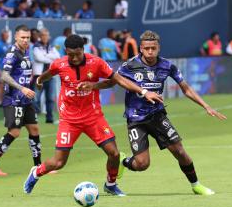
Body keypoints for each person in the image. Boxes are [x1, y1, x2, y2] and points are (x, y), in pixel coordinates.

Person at [79, 30, 227, 195]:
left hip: (157, 116)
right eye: (147, 48)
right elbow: (111, 82)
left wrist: (206, 106)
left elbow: (185, 88)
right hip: (136, 119)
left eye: (153, 48)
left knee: (179, 151)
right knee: (142, 164)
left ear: (158, 48)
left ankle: (196, 185)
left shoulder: (167, 66)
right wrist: (93, 86)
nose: (150, 51)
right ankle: (124, 161)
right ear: (141, 48)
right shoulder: (129, 65)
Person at [23, 34, 163, 196]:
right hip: (69, 119)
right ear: (65, 52)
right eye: (70, 55)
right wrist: (40, 81)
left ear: (83, 50)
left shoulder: (96, 63)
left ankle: (110, 184)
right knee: (59, 162)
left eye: (77, 54)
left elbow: (116, 80)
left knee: (114, 153)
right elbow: (47, 74)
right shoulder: (59, 64)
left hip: (93, 117)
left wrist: (143, 91)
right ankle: (35, 173)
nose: (74, 58)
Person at [0, 25, 43, 176]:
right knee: (14, 132)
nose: (25, 40)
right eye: (22, 37)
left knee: (34, 129)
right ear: (16, 37)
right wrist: (21, 88)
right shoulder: (12, 54)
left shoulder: (26, 51)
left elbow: (23, 73)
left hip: (25, 99)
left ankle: (39, 167)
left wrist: (33, 82)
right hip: (13, 99)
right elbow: (4, 76)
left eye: (28, 38)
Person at [32, 28, 60, 123]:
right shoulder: (36, 46)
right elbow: (39, 58)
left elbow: (58, 57)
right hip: (39, 76)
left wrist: (45, 56)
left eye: (46, 35)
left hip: (50, 75)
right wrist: (49, 57)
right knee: (36, 98)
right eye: (43, 35)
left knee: (50, 98)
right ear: (40, 37)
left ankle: (49, 118)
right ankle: (33, 118)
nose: (45, 37)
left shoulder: (51, 46)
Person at [0, 29, 11, 106]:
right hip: (1, 67)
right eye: (4, 35)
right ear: (1, 36)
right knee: (0, 84)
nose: (6, 37)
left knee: (6, 85)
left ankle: (5, 101)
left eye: (7, 35)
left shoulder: (9, 45)